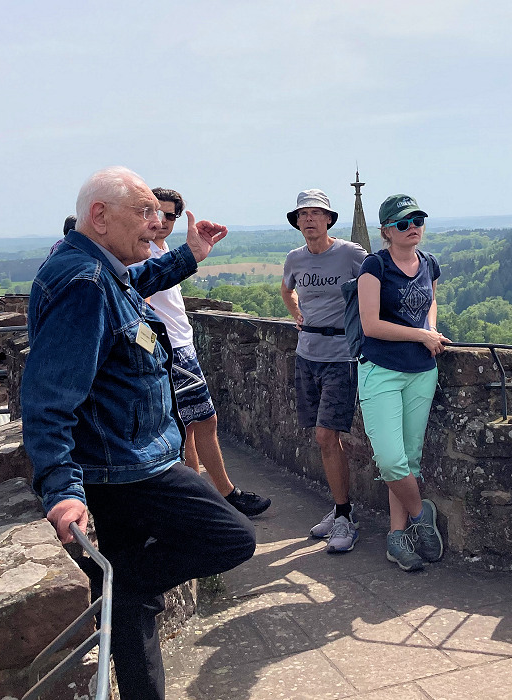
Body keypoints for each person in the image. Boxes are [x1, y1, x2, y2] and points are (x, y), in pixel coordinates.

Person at [21, 166, 256, 700]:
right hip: (127, 467)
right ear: (100, 217)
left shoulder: (94, 268)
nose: (156, 223)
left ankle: (126, 605)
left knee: (133, 615)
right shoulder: (83, 283)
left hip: (121, 458)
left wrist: (190, 255)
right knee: (230, 537)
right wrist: (61, 490)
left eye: (157, 212)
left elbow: (133, 286)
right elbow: (48, 399)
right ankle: (121, 581)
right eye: (144, 212)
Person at [129, 187, 270, 517]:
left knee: (192, 425)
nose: (163, 220)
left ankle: (207, 499)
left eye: (170, 215)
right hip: (169, 350)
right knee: (197, 423)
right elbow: (137, 304)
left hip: (181, 346)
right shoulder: (141, 252)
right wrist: (151, 346)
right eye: (157, 212)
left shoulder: (160, 249)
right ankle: (214, 498)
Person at [356, 194, 447, 572]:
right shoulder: (374, 265)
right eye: (403, 223)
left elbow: (430, 303)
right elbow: (370, 324)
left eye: (418, 221)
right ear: (386, 231)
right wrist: (421, 335)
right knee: (391, 460)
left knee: (409, 460)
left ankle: (397, 537)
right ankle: (421, 516)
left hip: (422, 371)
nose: (413, 228)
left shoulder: (429, 263)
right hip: (381, 369)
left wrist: (431, 329)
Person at [280, 189, 368, 552]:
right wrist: (297, 314)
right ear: (297, 222)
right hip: (307, 354)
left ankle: (345, 517)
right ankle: (340, 509)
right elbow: (286, 290)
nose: (309, 219)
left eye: (316, 213)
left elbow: (376, 286)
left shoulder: (350, 254)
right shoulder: (295, 258)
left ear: (329, 219)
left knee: (325, 435)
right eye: (303, 214)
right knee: (325, 439)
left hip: (341, 356)